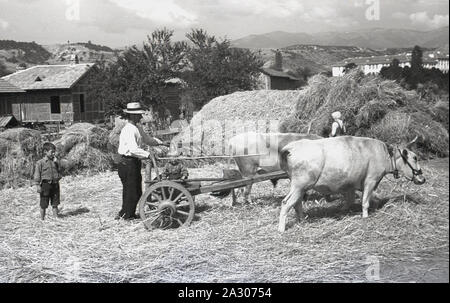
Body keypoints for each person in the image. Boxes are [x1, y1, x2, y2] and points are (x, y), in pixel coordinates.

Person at [116, 102, 164, 220]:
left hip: (133, 162)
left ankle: (127, 213)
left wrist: (160, 143)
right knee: (131, 191)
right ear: (131, 116)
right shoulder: (128, 130)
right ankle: (126, 215)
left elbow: (147, 139)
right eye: (138, 115)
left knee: (136, 191)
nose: (140, 117)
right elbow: (133, 149)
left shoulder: (137, 128)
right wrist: (148, 154)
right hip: (127, 162)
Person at [33, 142, 63, 220]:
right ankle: (42, 219)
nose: (53, 154)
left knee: (55, 203)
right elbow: (37, 174)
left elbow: (60, 171)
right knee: (44, 203)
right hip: (46, 185)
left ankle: (56, 218)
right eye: (51, 152)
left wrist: (58, 163)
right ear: (45, 152)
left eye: (54, 152)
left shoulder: (55, 161)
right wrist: (37, 185)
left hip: (55, 184)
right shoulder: (40, 163)